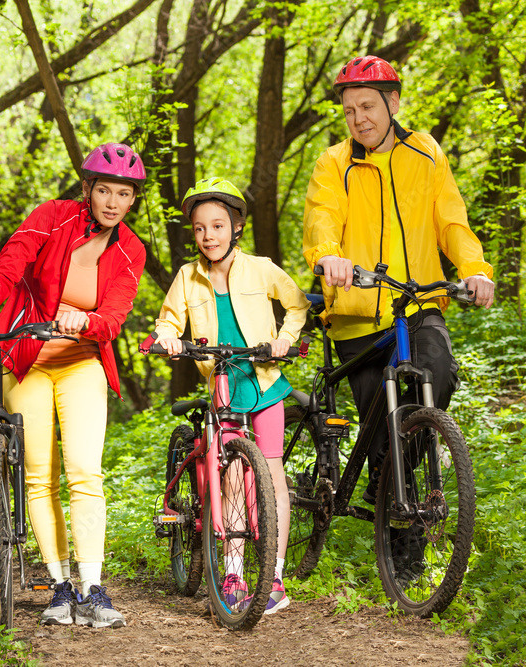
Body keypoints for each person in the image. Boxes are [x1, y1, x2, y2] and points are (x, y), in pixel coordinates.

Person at [0, 143, 148, 628]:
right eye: (104, 190)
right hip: (26, 359)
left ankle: (92, 588)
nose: (113, 202)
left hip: (81, 363)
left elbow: (114, 318)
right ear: (87, 190)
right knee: (39, 474)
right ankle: (58, 587)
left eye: (123, 193)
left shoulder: (130, 249)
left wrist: (87, 320)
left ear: (133, 199)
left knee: (84, 470)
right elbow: (9, 268)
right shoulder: (52, 217)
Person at [303, 55, 494, 508]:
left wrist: (474, 269)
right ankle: (399, 528)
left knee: (439, 374)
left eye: (367, 107)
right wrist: (328, 254)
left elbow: (450, 221)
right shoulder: (334, 163)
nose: (359, 119)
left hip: (418, 301)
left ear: (393, 102)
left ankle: (391, 482)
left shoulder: (425, 152)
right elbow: (322, 215)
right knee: (379, 423)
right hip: (358, 312)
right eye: (350, 111)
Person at [153, 177, 310, 615]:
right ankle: (235, 572)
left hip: (264, 383)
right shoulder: (187, 277)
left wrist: (284, 338)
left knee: (272, 475)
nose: (209, 236)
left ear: (236, 226)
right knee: (231, 480)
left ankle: (274, 576)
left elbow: (297, 303)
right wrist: (167, 337)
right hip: (224, 386)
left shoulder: (260, 267)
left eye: (218, 226)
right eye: (200, 229)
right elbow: (169, 321)